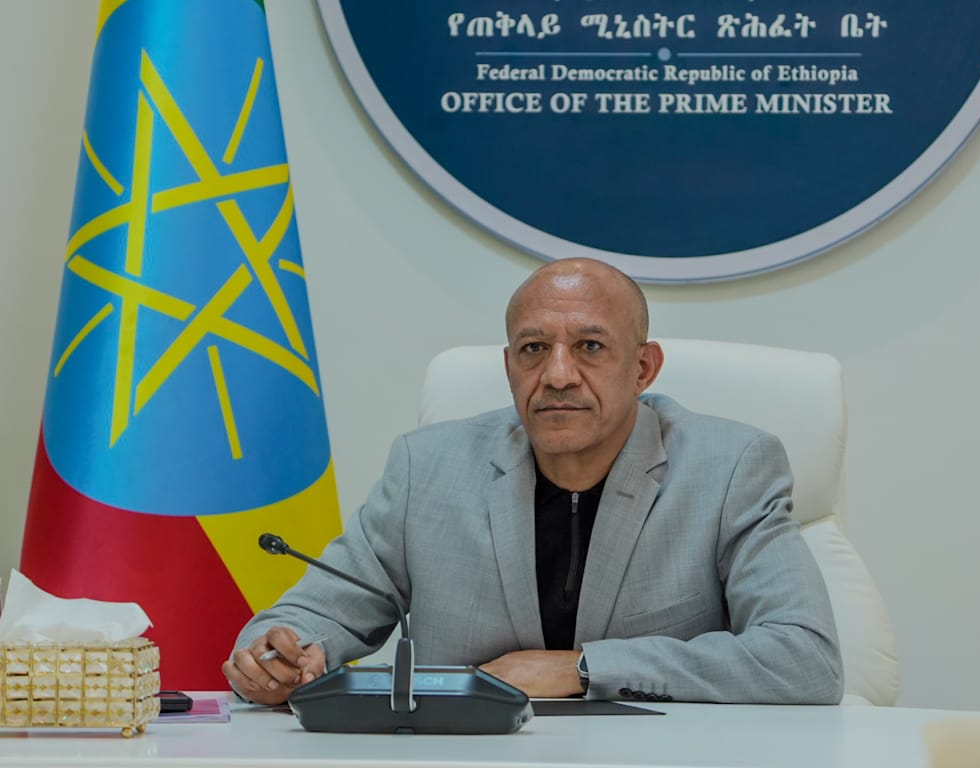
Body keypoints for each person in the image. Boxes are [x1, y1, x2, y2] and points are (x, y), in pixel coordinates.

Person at [223, 258, 843, 705]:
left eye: (590, 346)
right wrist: (279, 655)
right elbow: (314, 613)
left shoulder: (729, 468)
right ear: (509, 365)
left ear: (643, 368)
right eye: (533, 349)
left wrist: (583, 668)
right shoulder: (426, 469)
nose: (558, 375)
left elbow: (806, 659)